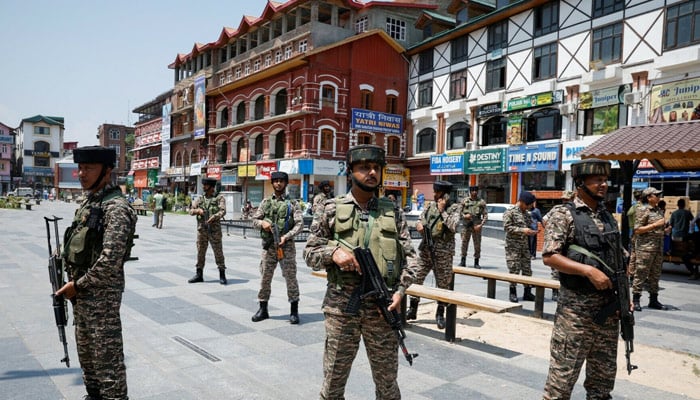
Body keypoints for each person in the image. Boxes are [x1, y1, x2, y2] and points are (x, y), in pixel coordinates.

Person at [303, 144, 417, 400]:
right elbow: (310, 252)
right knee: (333, 384)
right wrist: (333, 253)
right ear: (351, 171)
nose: (372, 173)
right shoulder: (331, 208)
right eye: (365, 167)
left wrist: (400, 291)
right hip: (342, 307)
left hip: (382, 308)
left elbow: (412, 259)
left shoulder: (393, 211)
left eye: (377, 168)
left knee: (388, 386)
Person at [541, 158, 627, 400]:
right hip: (575, 315)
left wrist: (625, 297)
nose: (603, 185)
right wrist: (587, 271)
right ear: (581, 183)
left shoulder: (607, 216)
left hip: (608, 313)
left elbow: (619, 259)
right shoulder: (563, 214)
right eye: (597, 180)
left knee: (602, 383)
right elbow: (550, 256)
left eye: (605, 180)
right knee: (561, 383)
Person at [57, 146, 137, 400]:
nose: (81, 173)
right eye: (80, 168)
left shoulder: (116, 208)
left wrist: (78, 285)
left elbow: (110, 260)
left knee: (108, 364)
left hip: (101, 300)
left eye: (89, 168)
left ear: (107, 171)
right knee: (88, 358)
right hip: (81, 297)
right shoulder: (90, 202)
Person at [406, 180, 461, 328]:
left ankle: (440, 313)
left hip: (443, 252)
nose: (434, 194)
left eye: (437, 192)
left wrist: (443, 211)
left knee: (443, 283)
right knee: (416, 278)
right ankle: (413, 308)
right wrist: (419, 225)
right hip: (426, 250)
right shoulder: (430, 206)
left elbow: (454, 226)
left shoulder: (455, 208)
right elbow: (421, 219)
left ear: (445, 195)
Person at [251, 171, 304, 324]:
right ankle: (263, 309)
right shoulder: (266, 202)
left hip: (286, 247)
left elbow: (300, 224)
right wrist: (263, 224)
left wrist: (286, 237)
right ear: (272, 183)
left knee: (290, 278)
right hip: (269, 247)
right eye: (276, 181)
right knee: (265, 278)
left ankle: (294, 310)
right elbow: (254, 220)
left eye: (282, 181)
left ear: (286, 183)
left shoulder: (293, 204)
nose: (279, 183)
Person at [632, 187, 669, 311]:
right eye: (656, 195)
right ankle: (635, 300)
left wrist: (665, 230)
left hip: (658, 248)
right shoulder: (643, 210)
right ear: (649, 197)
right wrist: (655, 225)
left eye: (659, 195)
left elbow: (658, 229)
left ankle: (653, 300)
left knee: (655, 275)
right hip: (645, 248)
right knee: (641, 273)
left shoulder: (658, 210)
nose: (658, 197)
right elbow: (637, 230)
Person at [188, 178, 228, 285]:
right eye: (203, 185)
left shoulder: (219, 198)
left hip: (214, 231)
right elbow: (190, 210)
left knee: (218, 253)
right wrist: (198, 211)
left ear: (211, 186)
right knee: (200, 252)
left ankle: (222, 274)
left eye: (205, 185)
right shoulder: (200, 199)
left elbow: (223, 211)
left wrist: (214, 217)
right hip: (202, 230)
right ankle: (199, 274)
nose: (203, 187)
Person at [503, 191, 538, 303]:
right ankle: (512, 292)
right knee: (514, 269)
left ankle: (527, 292)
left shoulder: (526, 214)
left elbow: (529, 225)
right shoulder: (510, 212)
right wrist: (522, 230)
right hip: (513, 246)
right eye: (528, 205)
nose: (529, 207)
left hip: (524, 246)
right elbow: (507, 227)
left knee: (527, 269)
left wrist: (532, 231)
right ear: (522, 202)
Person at [458, 185, 488, 268]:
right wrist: (464, 216)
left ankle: (476, 262)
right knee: (464, 243)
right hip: (466, 225)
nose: (474, 192)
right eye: (472, 190)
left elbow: (485, 215)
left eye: (476, 190)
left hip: (476, 226)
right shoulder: (464, 201)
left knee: (477, 244)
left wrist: (480, 225)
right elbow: (459, 212)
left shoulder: (481, 202)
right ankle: (463, 260)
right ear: (470, 191)